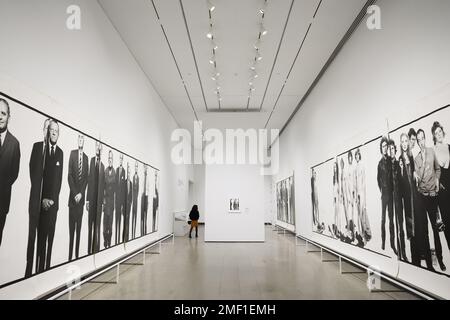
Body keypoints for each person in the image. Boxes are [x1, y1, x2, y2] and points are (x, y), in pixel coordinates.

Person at [414, 129, 445, 271]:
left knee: (435, 229)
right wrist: (415, 174)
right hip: (422, 197)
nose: (421, 142)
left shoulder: (431, 152)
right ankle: (429, 261)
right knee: (425, 231)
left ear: (425, 139)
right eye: (418, 140)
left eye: (422, 139)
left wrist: (437, 180)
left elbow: (438, 169)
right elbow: (418, 181)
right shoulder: (416, 159)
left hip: (433, 196)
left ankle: (440, 258)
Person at [36, 120, 63, 272]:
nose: (53, 132)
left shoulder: (60, 153)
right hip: (40, 204)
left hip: (54, 206)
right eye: (51, 130)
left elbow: (58, 181)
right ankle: (38, 272)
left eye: (56, 131)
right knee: (40, 242)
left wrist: (52, 200)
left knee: (50, 240)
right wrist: (42, 199)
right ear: (47, 131)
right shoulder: (41, 149)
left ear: (58, 134)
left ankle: (47, 270)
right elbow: (36, 177)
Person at [25, 118, 50, 276]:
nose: (48, 132)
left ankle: (40, 271)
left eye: (50, 129)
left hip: (46, 205)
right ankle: (28, 269)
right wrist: (37, 191)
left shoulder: (54, 153)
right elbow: (31, 169)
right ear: (43, 130)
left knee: (42, 238)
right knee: (31, 237)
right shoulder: (36, 147)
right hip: (34, 201)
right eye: (46, 128)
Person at [0, 98, 20, 247]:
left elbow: (14, 173)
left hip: (2, 203)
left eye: (3, 113)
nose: (0, 116)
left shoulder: (14, 143)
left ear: (8, 117)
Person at [67, 134, 89, 261]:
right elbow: (69, 175)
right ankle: (69, 257)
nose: (80, 141)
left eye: (82, 139)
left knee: (79, 229)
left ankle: (76, 256)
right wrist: (75, 193)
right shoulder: (72, 154)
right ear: (77, 140)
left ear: (84, 142)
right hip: (72, 200)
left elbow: (86, 178)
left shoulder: (86, 158)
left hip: (80, 201)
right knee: (71, 231)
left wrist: (81, 194)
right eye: (79, 139)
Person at [432, 122, 450, 252]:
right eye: (436, 133)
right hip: (443, 192)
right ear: (434, 136)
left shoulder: (449, 147)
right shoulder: (433, 151)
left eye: (440, 132)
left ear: (443, 132)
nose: (438, 135)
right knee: (447, 221)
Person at [399, 133, 417, 262]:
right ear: (400, 144)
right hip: (406, 196)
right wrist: (400, 169)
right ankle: (413, 252)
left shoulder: (411, 156)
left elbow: (415, 173)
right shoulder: (400, 159)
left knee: (417, 221)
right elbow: (400, 181)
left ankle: (419, 250)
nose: (405, 143)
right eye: (403, 141)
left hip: (414, 194)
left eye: (406, 141)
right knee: (409, 222)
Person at [377, 136, 396, 254]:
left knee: (391, 220)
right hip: (384, 195)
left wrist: (391, 189)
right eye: (383, 146)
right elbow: (378, 180)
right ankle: (383, 242)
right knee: (383, 219)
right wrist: (382, 190)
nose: (385, 148)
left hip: (391, 194)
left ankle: (393, 244)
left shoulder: (390, 161)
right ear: (381, 148)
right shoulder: (379, 164)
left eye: (386, 146)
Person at [389, 139, 407, 260]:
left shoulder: (398, 162)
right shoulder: (386, 165)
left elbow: (403, 179)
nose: (391, 151)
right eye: (389, 149)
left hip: (399, 198)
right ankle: (395, 249)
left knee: (400, 225)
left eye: (392, 149)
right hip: (391, 198)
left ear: (395, 150)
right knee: (392, 225)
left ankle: (403, 252)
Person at [86, 141, 105, 254]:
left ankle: (96, 249)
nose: (98, 149)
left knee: (97, 226)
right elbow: (89, 180)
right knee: (90, 225)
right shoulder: (92, 161)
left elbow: (103, 186)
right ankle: (89, 249)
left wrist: (102, 202)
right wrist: (87, 199)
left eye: (99, 148)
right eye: (96, 146)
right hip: (91, 200)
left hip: (99, 202)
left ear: (101, 150)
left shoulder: (102, 166)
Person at [103, 150, 115, 248]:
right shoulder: (105, 171)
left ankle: (109, 242)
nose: (110, 160)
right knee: (105, 224)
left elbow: (114, 186)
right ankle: (105, 240)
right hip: (106, 201)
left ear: (113, 160)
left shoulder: (114, 172)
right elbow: (103, 185)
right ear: (108, 160)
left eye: (111, 158)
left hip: (112, 203)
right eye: (109, 158)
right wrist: (103, 201)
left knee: (110, 225)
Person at [115, 154, 126, 244]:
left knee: (120, 220)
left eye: (122, 159)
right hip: (116, 200)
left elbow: (123, 189)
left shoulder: (124, 172)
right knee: (116, 220)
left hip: (121, 201)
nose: (121, 160)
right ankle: (116, 239)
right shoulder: (116, 170)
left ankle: (120, 240)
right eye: (120, 158)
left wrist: (122, 204)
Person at [123, 163, 132, 242]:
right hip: (124, 206)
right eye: (128, 173)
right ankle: (123, 238)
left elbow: (131, 195)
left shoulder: (131, 183)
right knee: (124, 222)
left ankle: (127, 238)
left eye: (129, 173)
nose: (128, 174)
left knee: (128, 221)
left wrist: (130, 203)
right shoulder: (124, 183)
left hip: (129, 206)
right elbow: (122, 194)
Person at [131, 161, 139, 239]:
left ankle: (134, 232)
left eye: (137, 167)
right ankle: (131, 233)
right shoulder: (133, 177)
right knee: (132, 216)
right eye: (135, 166)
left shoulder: (138, 178)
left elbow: (138, 189)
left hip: (136, 200)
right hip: (132, 200)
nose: (136, 168)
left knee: (135, 215)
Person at [140, 166, 148, 236]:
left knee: (145, 217)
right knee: (142, 217)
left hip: (146, 198)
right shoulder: (142, 178)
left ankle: (145, 232)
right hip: (142, 198)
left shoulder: (147, 180)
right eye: (145, 168)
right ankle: (141, 233)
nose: (145, 170)